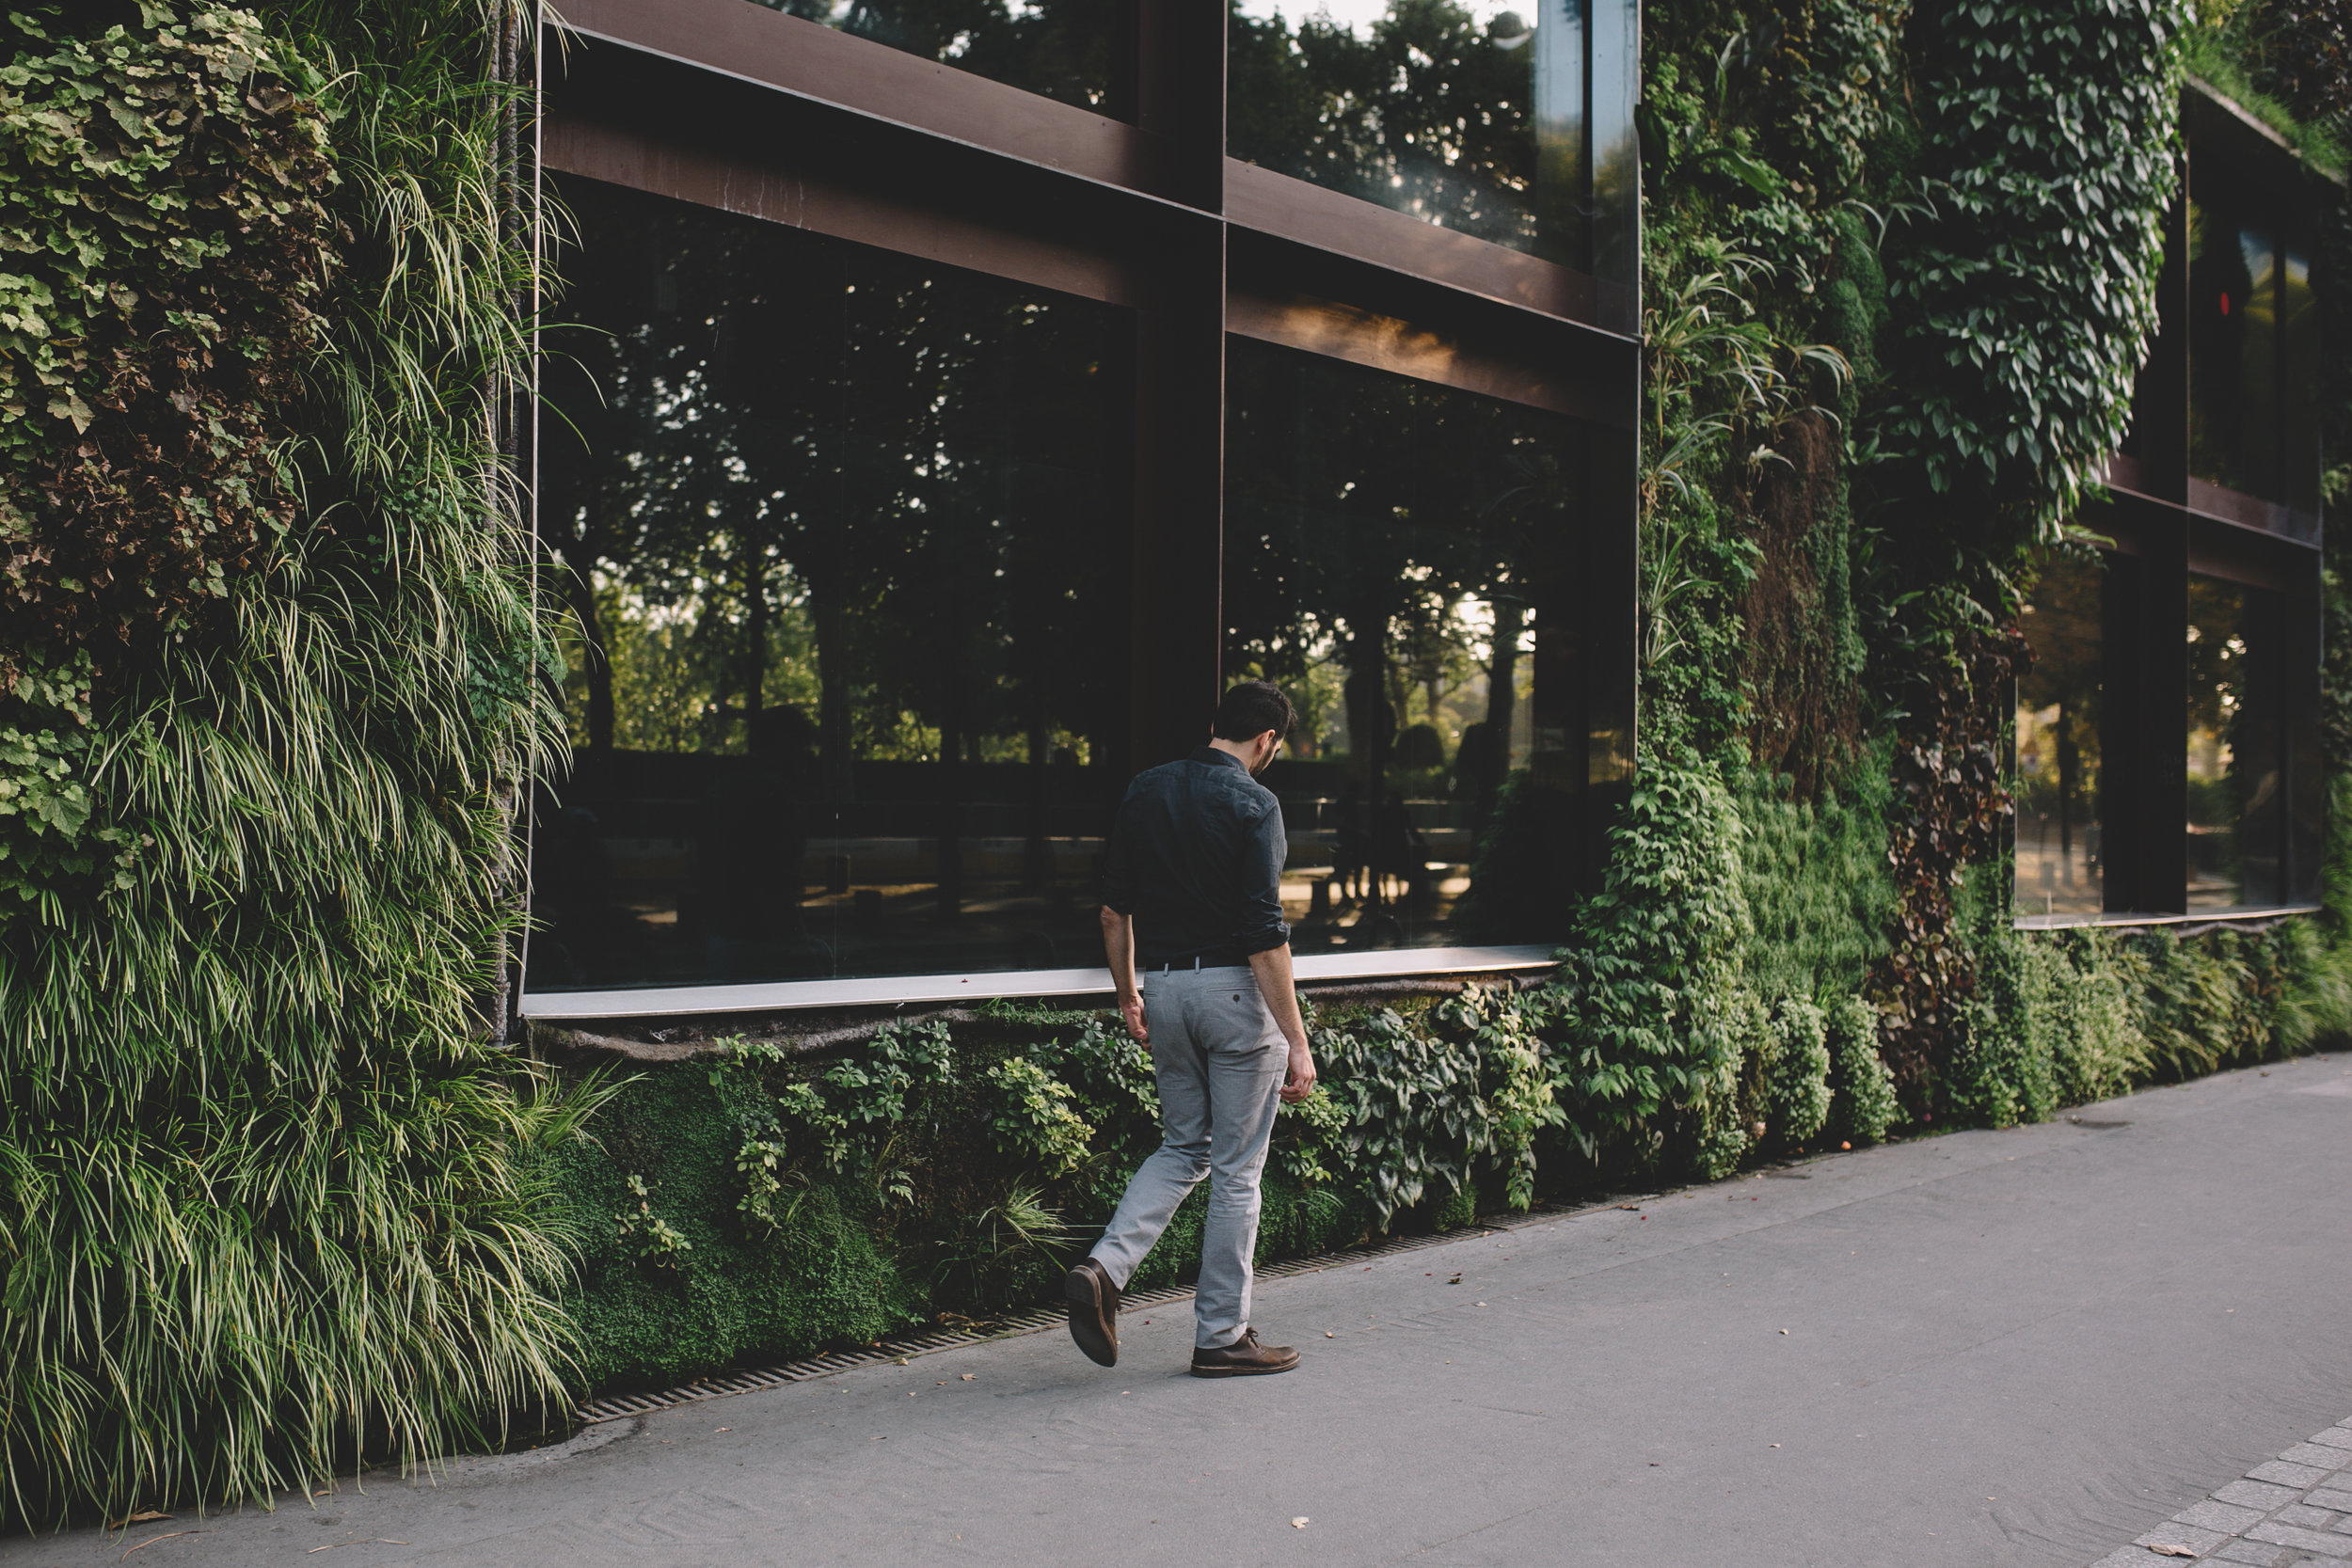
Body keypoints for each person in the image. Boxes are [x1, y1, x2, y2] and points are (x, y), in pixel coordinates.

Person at [1064, 681, 1317, 1377]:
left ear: (1214, 725)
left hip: (1167, 988)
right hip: (1236, 992)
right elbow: (1265, 935)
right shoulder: (1256, 803)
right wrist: (1296, 1039)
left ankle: (1104, 1268)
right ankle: (1221, 1336)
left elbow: (1114, 912)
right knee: (1237, 1169)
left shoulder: (1146, 790)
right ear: (1267, 741)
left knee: (1183, 1146)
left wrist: (1128, 997)